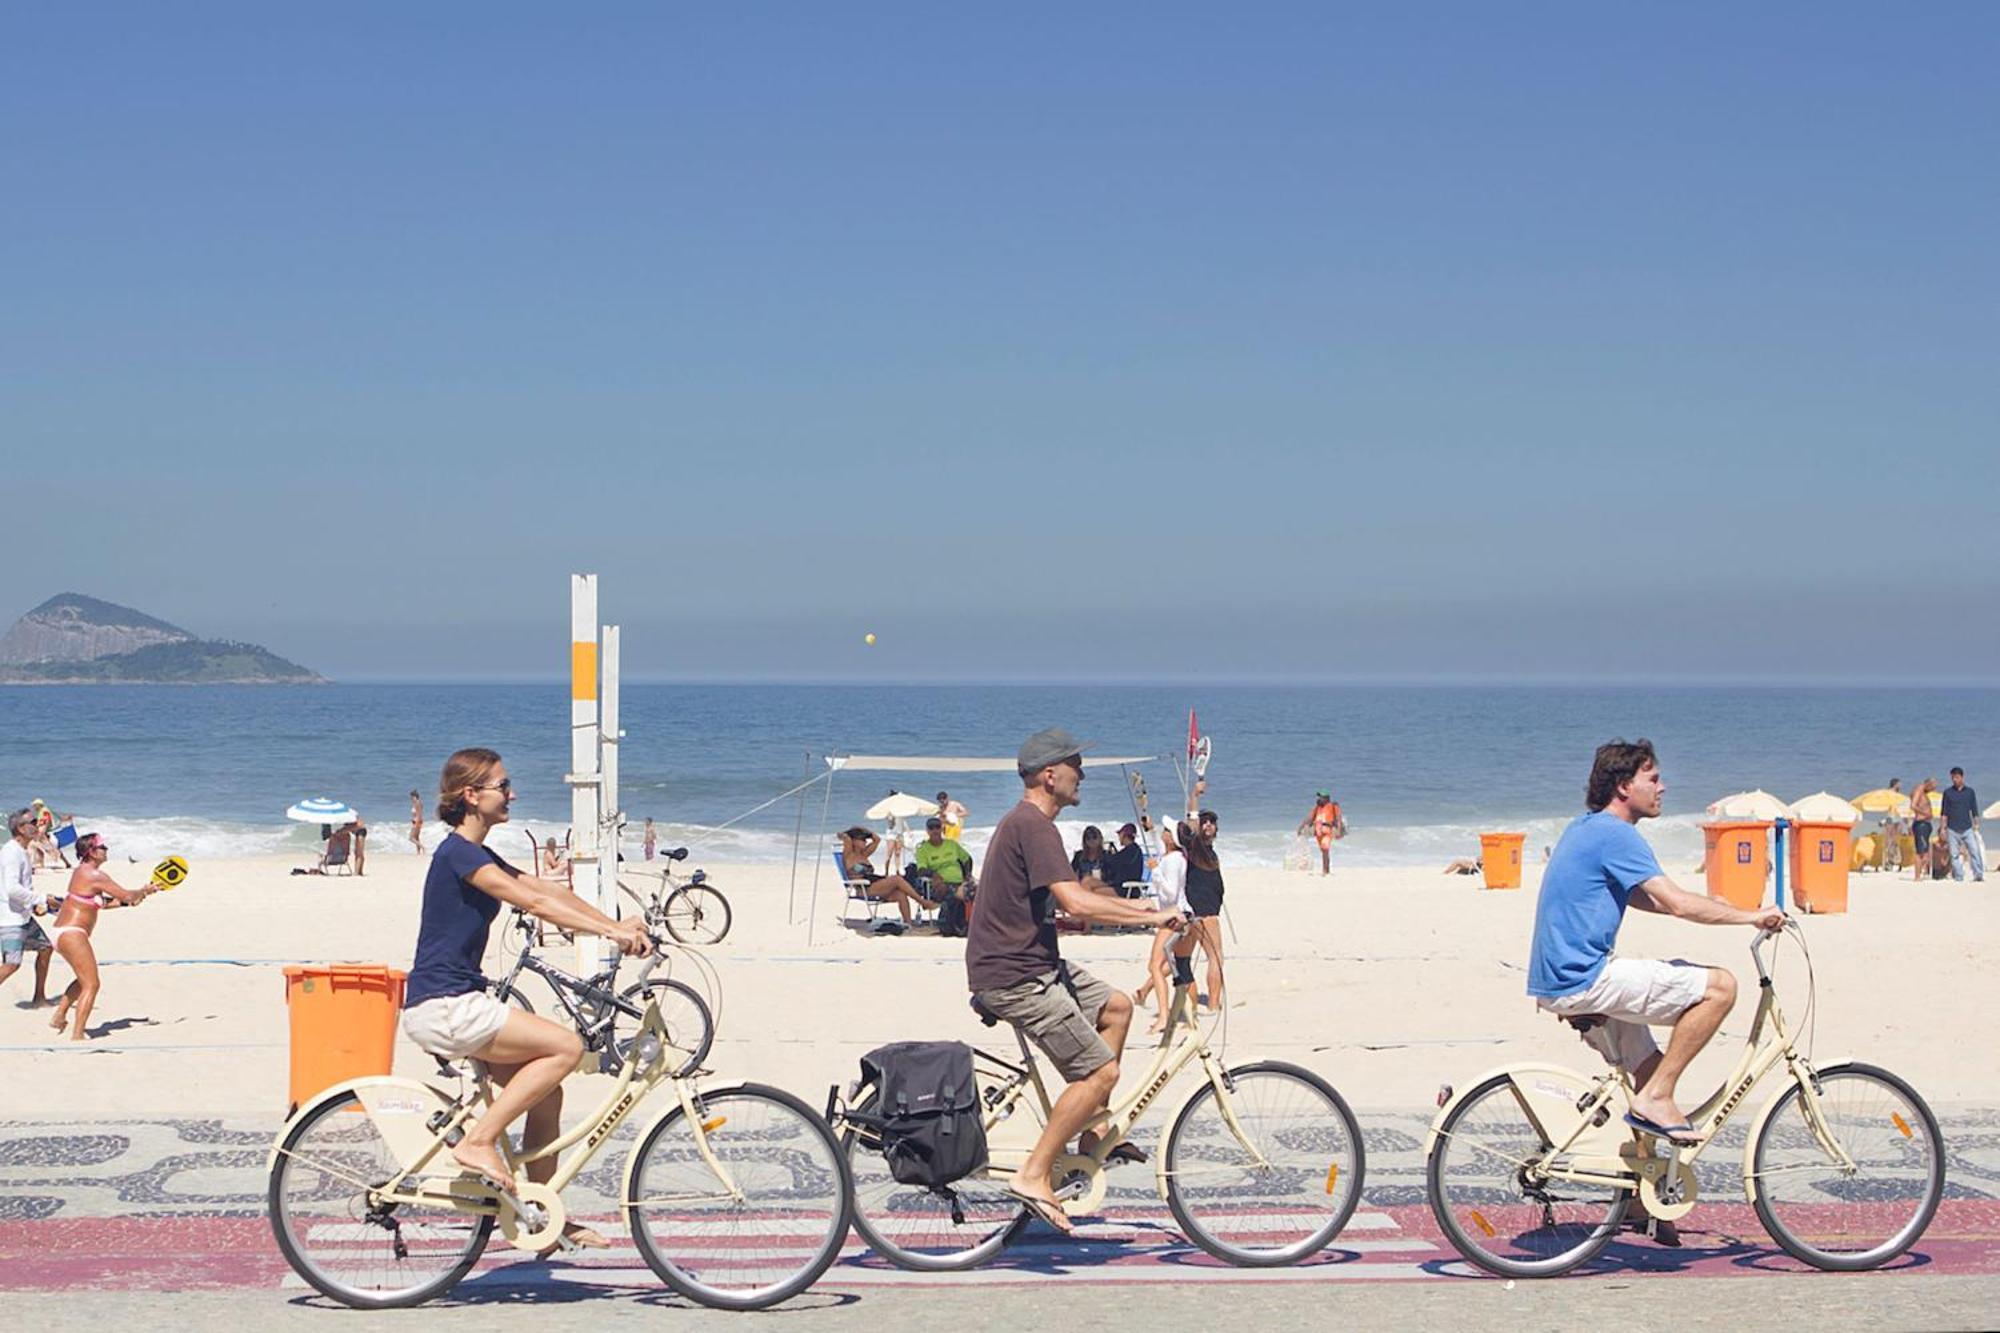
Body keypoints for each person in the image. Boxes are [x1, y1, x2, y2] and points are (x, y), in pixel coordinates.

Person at [400, 747, 650, 1251]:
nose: (512, 793)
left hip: (456, 1002)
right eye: (502, 785)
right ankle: (478, 1141)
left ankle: (542, 1213)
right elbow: (533, 903)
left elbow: (543, 889)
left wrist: (613, 924)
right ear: (471, 795)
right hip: (446, 1006)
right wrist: (611, 935)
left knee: (547, 1094)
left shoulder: (476, 852)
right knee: (565, 1048)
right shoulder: (458, 854)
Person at [966, 728, 1181, 1234]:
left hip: (1036, 964)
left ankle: (1091, 1133)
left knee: (1119, 1007)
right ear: (1049, 775)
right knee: (1101, 1073)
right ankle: (1035, 1173)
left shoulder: (1031, 824)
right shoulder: (1034, 826)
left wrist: (1148, 908)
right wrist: (1150, 920)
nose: (1081, 773)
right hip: (1016, 976)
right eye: (1075, 766)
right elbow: (1076, 903)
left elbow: (1080, 899)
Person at [1528, 739, 1785, 1152]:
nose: (1662, 787)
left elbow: (1637, 896)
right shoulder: (1617, 835)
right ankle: (1658, 1097)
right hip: (1585, 977)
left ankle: (1640, 1195)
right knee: (1721, 987)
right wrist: (1750, 916)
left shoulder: (1584, 828)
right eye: (1654, 778)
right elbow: (1678, 903)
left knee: (1649, 1070)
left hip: (1556, 980)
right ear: (1624, 787)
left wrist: (1719, 906)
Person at [46, 832, 159, 1041]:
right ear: (91, 852)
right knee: (92, 984)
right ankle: (77, 1035)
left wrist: (136, 897)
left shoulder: (84, 873)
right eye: (102, 847)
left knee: (83, 979)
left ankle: (59, 1016)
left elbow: (107, 903)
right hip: (72, 932)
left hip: (62, 932)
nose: (106, 849)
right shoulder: (94, 875)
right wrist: (143, 890)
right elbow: (125, 895)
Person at [1134, 817, 1189, 1033]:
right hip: (1177, 916)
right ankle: (1144, 992)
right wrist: (1150, 830)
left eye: (1167, 830)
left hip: (1174, 918)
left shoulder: (1174, 860)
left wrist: (1155, 871)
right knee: (1169, 964)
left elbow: (1170, 892)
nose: (1164, 832)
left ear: (1172, 838)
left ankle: (1164, 1016)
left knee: (1155, 966)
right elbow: (1158, 848)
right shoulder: (1171, 855)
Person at [1177, 779, 1227, 1011]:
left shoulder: (1209, 850)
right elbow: (1191, 826)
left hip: (1198, 911)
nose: (1207, 826)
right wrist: (1195, 796)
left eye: (1212, 823)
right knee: (1216, 957)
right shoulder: (1196, 845)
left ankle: (1146, 990)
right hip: (1203, 911)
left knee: (1180, 959)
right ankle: (1214, 1004)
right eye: (1205, 822)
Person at [1, 808, 58, 1006]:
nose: (37, 825)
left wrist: (35, 906)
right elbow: (12, 889)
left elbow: (24, 887)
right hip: (9, 919)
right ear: (21, 828)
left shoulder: (22, 851)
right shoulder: (11, 853)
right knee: (11, 964)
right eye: (33, 822)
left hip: (22, 916)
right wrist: (41, 898)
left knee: (46, 948)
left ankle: (39, 998)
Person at [837, 826, 930, 926]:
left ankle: (908, 923)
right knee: (897, 879)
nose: (865, 842)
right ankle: (922, 901)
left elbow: (877, 839)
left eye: (865, 839)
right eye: (862, 839)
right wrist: (854, 831)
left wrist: (866, 832)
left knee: (900, 894)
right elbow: (844, 837)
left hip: (874, 886)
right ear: (853, 841)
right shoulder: (848, 855)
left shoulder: (864, 854)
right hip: (863, 889)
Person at [910, 815, 975, 903]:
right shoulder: (923, 849)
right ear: (927, 831)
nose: (935, 830)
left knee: (981, 890)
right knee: (965, 894)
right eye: (931, 828)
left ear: (941, 829)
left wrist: (968, 874)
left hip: (960, 882)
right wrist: (934, 874)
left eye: (937, 827)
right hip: (940, 884)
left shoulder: (951, 844)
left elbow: (967, 859)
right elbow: (921, 870)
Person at [1940, 767, 1984, 883]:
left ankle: (1978, 874)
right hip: (1952, 828)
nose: (1955, 780)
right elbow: (1944, 812)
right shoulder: (1948, 793)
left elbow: (1974, 809)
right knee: (1954, 854)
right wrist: (1943, 828)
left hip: (1967, 828)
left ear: (1962, 777)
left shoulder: (1970, 792)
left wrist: (1976, 824)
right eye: (1953, 778)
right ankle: (1959, 876)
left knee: (1974, 851)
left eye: (1957, 777)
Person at [1295, 791, 1347, 876]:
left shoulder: (1333, 806)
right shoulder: (1317, 808)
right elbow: (1309, 818)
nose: (1319, 799)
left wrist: (1339, 829)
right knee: (1323, 851)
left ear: (1326, 798)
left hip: (1328, 830)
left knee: (1325, 847)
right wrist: (1301, 827)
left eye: (1321, 797)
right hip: (1318, 831)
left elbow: (1338, 818)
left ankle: (1325, 871)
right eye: (1319, 797)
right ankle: (1326, 869)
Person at [1101, 823, 1146, 891]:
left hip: (1127, 889)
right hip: (1130, 888)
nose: (1119, 837)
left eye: (1119, 834)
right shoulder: (1135, 849)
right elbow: (1118, 859)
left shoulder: (1131, 851)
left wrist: (1101, 853)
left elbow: (1114, 860)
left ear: (1123, 835)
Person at [1909, 778, 1938, 883]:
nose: (1932, 790)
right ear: (1928, 784)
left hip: (1925, 824)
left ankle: (1920, 874)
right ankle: (1917, 876)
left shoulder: (1923, 792)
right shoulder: (1919, 789)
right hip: (1921, 824)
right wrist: (1926, 814)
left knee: (1925, 852)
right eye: (1932, 787)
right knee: (1921, 852)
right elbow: (1913, 805)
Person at [348, 812, 369, 876]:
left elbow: (358, 825)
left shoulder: (350, 817)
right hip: (359, 831)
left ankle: (357, 872)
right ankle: (360, 871)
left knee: (358, 852)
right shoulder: (349, 817)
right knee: (358, 852)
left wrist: (339, 832)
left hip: (361, 831)